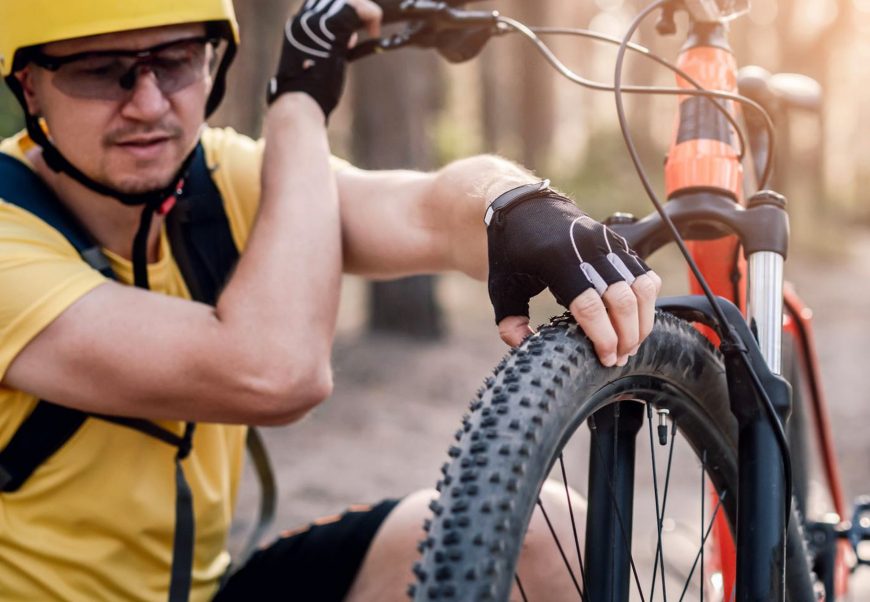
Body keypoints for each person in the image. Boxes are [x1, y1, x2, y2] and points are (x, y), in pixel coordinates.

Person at [0, 0, 661, 600]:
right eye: (97, 71)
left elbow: (431, 212)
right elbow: (274, 372)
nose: (148, 104)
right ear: (29, 86)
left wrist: (515, 206)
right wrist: (298, 103)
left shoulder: (220, 184)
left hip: (205, 590)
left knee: (548, 535)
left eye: (174, 62)